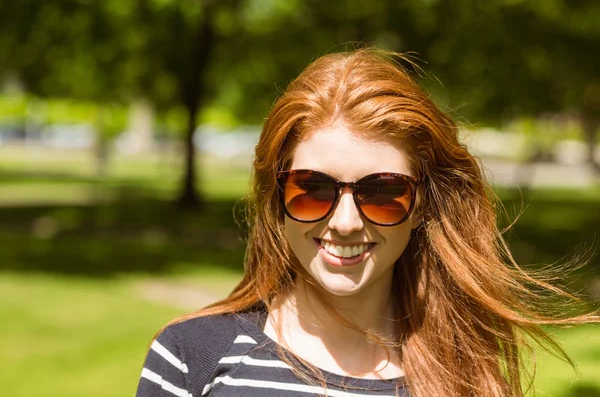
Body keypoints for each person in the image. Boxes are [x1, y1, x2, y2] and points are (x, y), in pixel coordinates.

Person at [135, 48, 598, 397]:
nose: (346, 221)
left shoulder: (470, 374)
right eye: (313, 188)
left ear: (421, 206)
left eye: (381, 192)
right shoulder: (191, 358)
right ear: (276, 197)